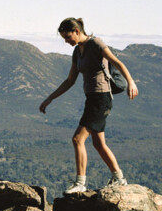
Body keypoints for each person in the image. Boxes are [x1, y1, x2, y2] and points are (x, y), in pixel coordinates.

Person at [40, 18, 139, 194]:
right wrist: (50, 98)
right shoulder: (77, 52)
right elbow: (70, 80)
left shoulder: (96, 44)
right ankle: (119, 178)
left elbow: (117, 62)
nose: (66, 41)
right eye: (64, 38)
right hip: (92, 99)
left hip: (101, 99)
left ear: (77, 31)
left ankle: (80, 183)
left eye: (68, 36)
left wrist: (131, 82)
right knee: (99, 144)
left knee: (77, 139)